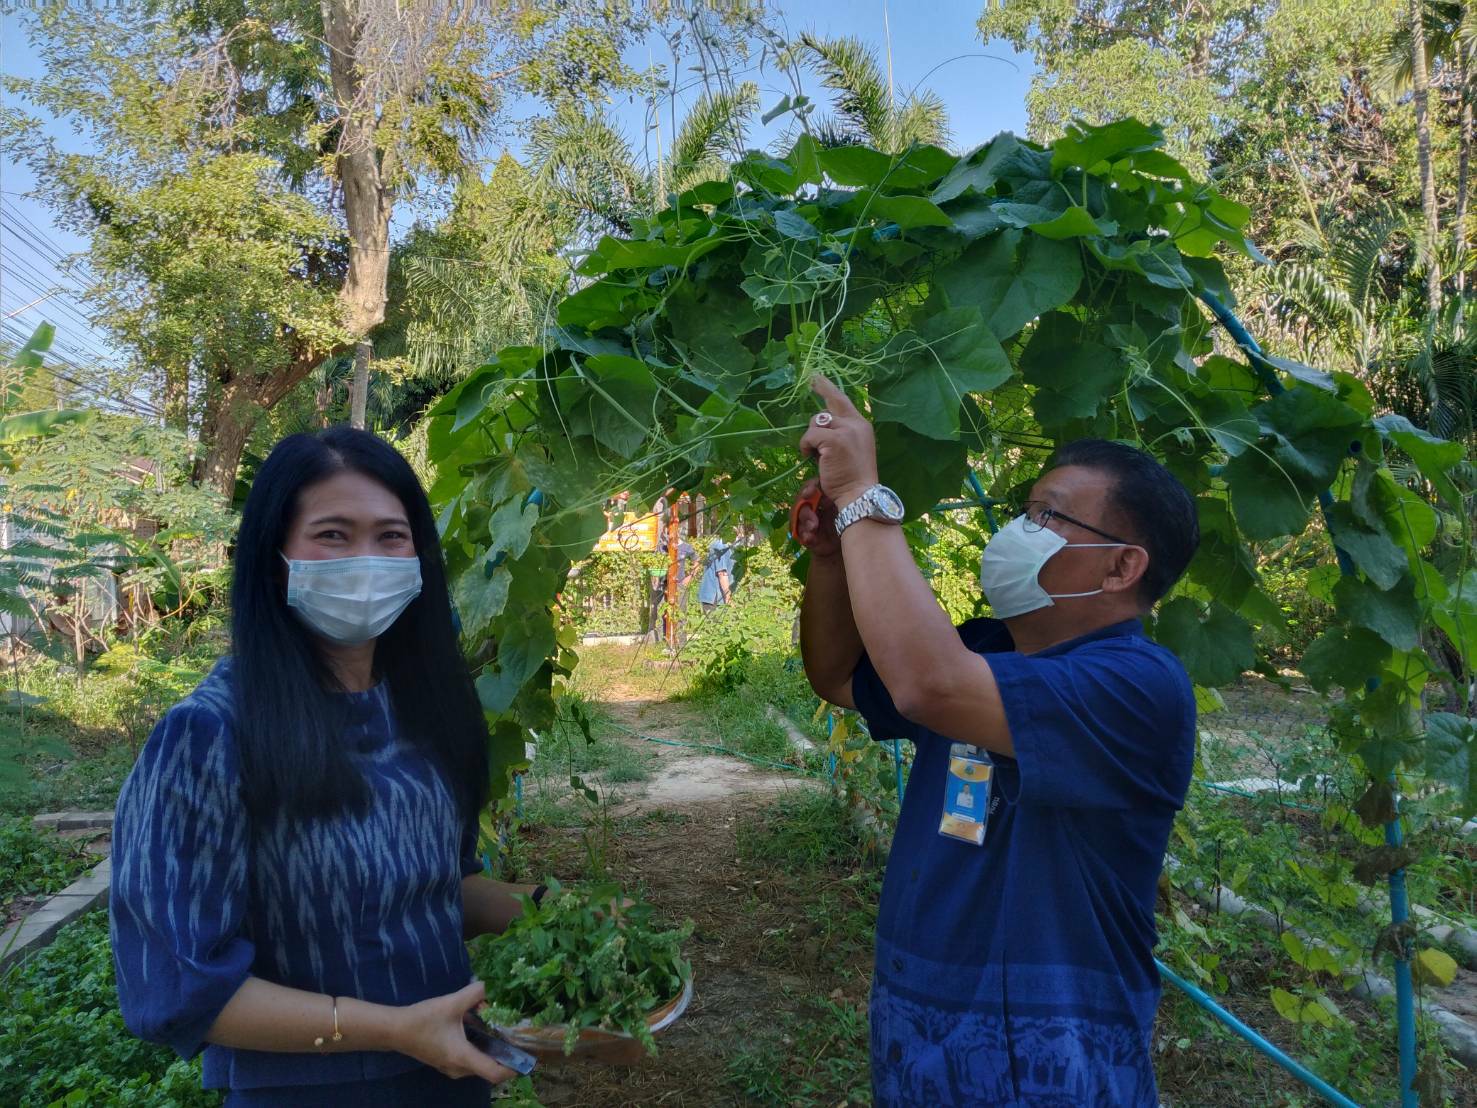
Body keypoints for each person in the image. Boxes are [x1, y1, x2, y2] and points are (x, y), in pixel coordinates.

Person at [793, 377, 1200, 1107]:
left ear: (1121, 567)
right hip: (919, 1035)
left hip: (1051, 1065)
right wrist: (829, 558)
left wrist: (861, 492)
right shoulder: (985, 655)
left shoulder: (1137, 685)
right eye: (1026, 510)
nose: (1021, 529)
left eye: (1050, 517)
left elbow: (927, 684)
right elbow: (838, 676)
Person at [110, 427, 541, 1106]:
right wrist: (396, 1030)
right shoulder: (207, 736)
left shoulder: (425, 713)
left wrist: (554, 909)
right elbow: (177, 988)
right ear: (275, 556)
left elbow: (437, 888)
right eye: (333, 535)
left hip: (451, 1076)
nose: (365, 560)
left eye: (390, 536)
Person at [698, 534, 734, 612]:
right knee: (715, 623)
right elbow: (722, 573)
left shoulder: (728, 546)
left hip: (720, 597)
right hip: (715, 598)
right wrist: (728, 597)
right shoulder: (721, 546)